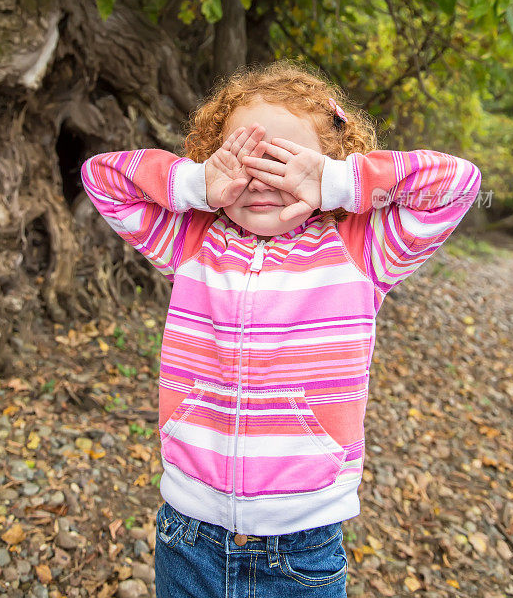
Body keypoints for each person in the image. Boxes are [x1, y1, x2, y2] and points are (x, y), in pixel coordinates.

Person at [80, 60, 482, 597]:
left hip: (302, 544)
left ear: (328, 165)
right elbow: (102, 178)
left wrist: (335, 182)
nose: (265, 181)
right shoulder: (195, 238)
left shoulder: (360, 250)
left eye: (285, 161)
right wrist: (197, 183)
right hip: (187, 532)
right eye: (247, 160)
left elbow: (457, 185)